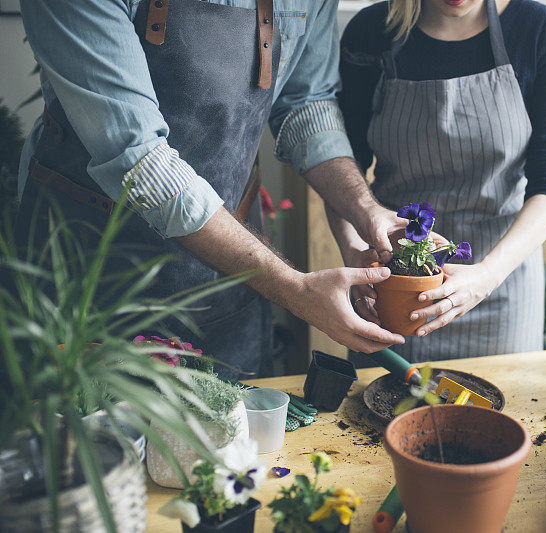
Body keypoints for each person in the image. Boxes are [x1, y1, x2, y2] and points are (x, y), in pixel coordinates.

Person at [16, 0, 405, 379]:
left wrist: (364, 209)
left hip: (231, 281)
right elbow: (138, 158)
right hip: (89, 276)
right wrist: (296, 288)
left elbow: (305, 101)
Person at [333, 0, 546, 362]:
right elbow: (341, 166)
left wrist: (486, 276)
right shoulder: (372, 31)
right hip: (394, 290)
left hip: (500, 289)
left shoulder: (541, 32)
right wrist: (355, 254)